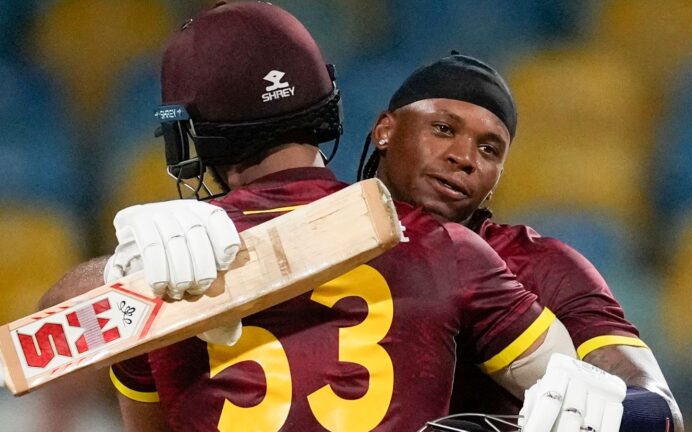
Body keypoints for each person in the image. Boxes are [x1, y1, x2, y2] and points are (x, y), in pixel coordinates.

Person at [36, 2, 584, 430]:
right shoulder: (449, 249)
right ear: (329, 106)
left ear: (189, 137)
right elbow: (589, 403)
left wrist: (121, 278)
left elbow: (48, 342)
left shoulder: (158, 286)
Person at [357, 54, 684, 430]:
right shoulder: (309, 239)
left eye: (488, 149)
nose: (464, 158)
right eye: (444, 129)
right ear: (385, 130)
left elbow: (659, 412)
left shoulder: (539, 267)